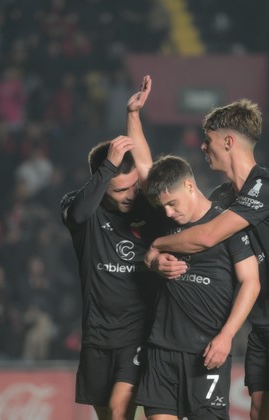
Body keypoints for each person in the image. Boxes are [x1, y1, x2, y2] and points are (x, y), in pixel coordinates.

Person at [145, 99, 269, 420]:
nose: (203, 146)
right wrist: (155, 261)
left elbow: (206, 236)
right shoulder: (221, 197)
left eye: (208, 139)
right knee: (261, 415)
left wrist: (156, 245)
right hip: (262, 324)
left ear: (228, 141)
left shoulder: (268, 187)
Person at [60, 76, 185, 420]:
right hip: (96, 337)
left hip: (139, 334)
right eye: (119, 189)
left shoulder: (148, 208)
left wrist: (133, 116)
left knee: (118, 412)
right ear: (101, 183)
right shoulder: (81, 211)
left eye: (132, 188)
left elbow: (146, 169)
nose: (131, 195)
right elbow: (78, 213)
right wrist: (107, 168)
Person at [134, 155, 260, 419]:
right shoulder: (164, 223)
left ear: (189, 186)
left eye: (172, 203)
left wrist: (227, 336)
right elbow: (143, 166)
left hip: (207, 351)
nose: (168, 212)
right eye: (162, 206)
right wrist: (154, 262)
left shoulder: (226, 224)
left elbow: (251, 282)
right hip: (161, 350)